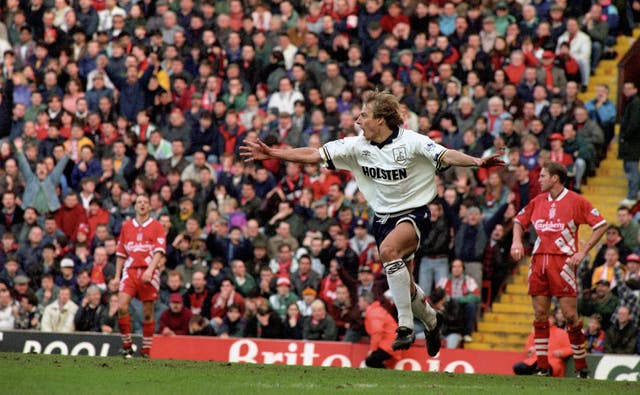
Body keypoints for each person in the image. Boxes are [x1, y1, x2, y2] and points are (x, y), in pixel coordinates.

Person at [241, 90, 504, 355]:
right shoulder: (357, 146)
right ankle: (433, 321)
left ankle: (405, 326)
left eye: (364, 115)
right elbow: (314, 154)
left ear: (380, 120)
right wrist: (274, 153)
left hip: (414, 213)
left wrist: (477, 162)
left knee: (388, 252)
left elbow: (446, 154)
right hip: (382, 218)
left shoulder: (411, 142)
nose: (358, 120)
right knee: (406, 286)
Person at [511, 161, 607, 377]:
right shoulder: (537, 201)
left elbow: (600, 225)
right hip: (538, 262)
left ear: (555, 178)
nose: (539, 179)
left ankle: (582, 367)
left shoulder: (576, 201)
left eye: (543, 175)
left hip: (562, 263)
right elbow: (518, 220)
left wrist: (582, 252)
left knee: (570, 315)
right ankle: (543, 366)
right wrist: (516, 242)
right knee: (540, 314)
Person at [114, 193, 167, 358]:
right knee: (122, 306)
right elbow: (121, 253)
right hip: (130, 271)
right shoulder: (127, 226)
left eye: (145, 202)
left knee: (147, 312)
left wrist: (151, 270)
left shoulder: (157, 226)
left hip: (148, 271)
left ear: (150, 207)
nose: (142, 205)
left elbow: (159, 251)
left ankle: (145, 350)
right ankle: (127, 344)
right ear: (135, 206)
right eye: (139, 202)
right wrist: (117, 276)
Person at [359, 291, 400, 368]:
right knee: (372, 361)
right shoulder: (376, 310)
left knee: (370, 361)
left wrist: (372, 349)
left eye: (360, 301)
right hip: (391, 343)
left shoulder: (374, 312)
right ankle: (384, 374)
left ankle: (386, 375)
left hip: (389, 344)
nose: (358, 304)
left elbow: (377, 332)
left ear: (365, 302)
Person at [618, 81, 640, 207]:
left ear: (635, 90)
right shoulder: (631, 103)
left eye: (629, 88)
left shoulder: (635, 103)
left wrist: (625, 136)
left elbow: (634, 123)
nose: (626, 90)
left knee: (631, 170)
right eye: (625, 88)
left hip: (632, 143)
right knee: (629, 168)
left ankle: (632, 195)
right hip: (630, 142)